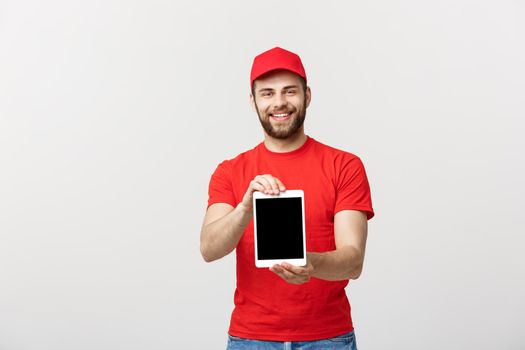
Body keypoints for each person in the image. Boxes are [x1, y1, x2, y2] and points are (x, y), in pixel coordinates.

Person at [200, 47, 374, 350]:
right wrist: (244, 208)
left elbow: (353, 261)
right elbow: (209, 248)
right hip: (250, 338)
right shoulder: (230, 171)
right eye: (267, 93)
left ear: (307, 95)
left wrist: (311, 264)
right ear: (253, 102)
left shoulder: (344, 166)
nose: (279, 102)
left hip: (328, 338)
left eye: (289, 91)